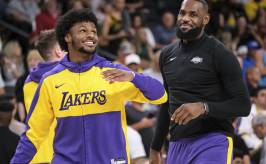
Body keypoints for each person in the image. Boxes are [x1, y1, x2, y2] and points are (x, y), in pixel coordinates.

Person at [11, 9, 167, 164]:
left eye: (94, 31)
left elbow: (161, 95)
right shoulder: (50, 81)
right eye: (83, 30)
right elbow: (33, 135)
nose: (91, 35)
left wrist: (135, 77)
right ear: (67, 37)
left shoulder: (113, 72)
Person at [150, 0, 251, 164]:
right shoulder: (166, 55)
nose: (185, 18)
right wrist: (155, 147)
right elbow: (166, 102)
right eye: (182, 13)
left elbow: (243, 105)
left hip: (212, 140)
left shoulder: (220, 53)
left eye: (193, 14)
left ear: (205, 19)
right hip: (177, 142)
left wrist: (203, 107)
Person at [23, 29, 65, 163]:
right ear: (58, 51)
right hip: (61, 154)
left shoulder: (28, 81)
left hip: (36, 154)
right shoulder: (65, 77)